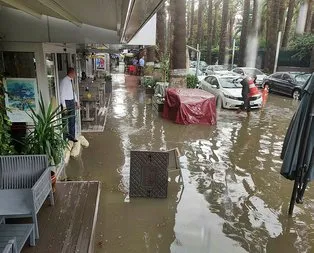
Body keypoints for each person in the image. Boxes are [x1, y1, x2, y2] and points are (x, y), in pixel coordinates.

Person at [60, 67, 79, 142]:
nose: (75, 75)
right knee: (65, 120)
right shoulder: (64, 81)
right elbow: (61, 94)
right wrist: (64, 106)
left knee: (72, 120)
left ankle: (72, 136)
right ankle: (64, 137)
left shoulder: (71, 81)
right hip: (66, 102)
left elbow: (73, 92)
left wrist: (76, 101)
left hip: (71, 101)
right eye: (74, 73)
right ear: (71, 73)